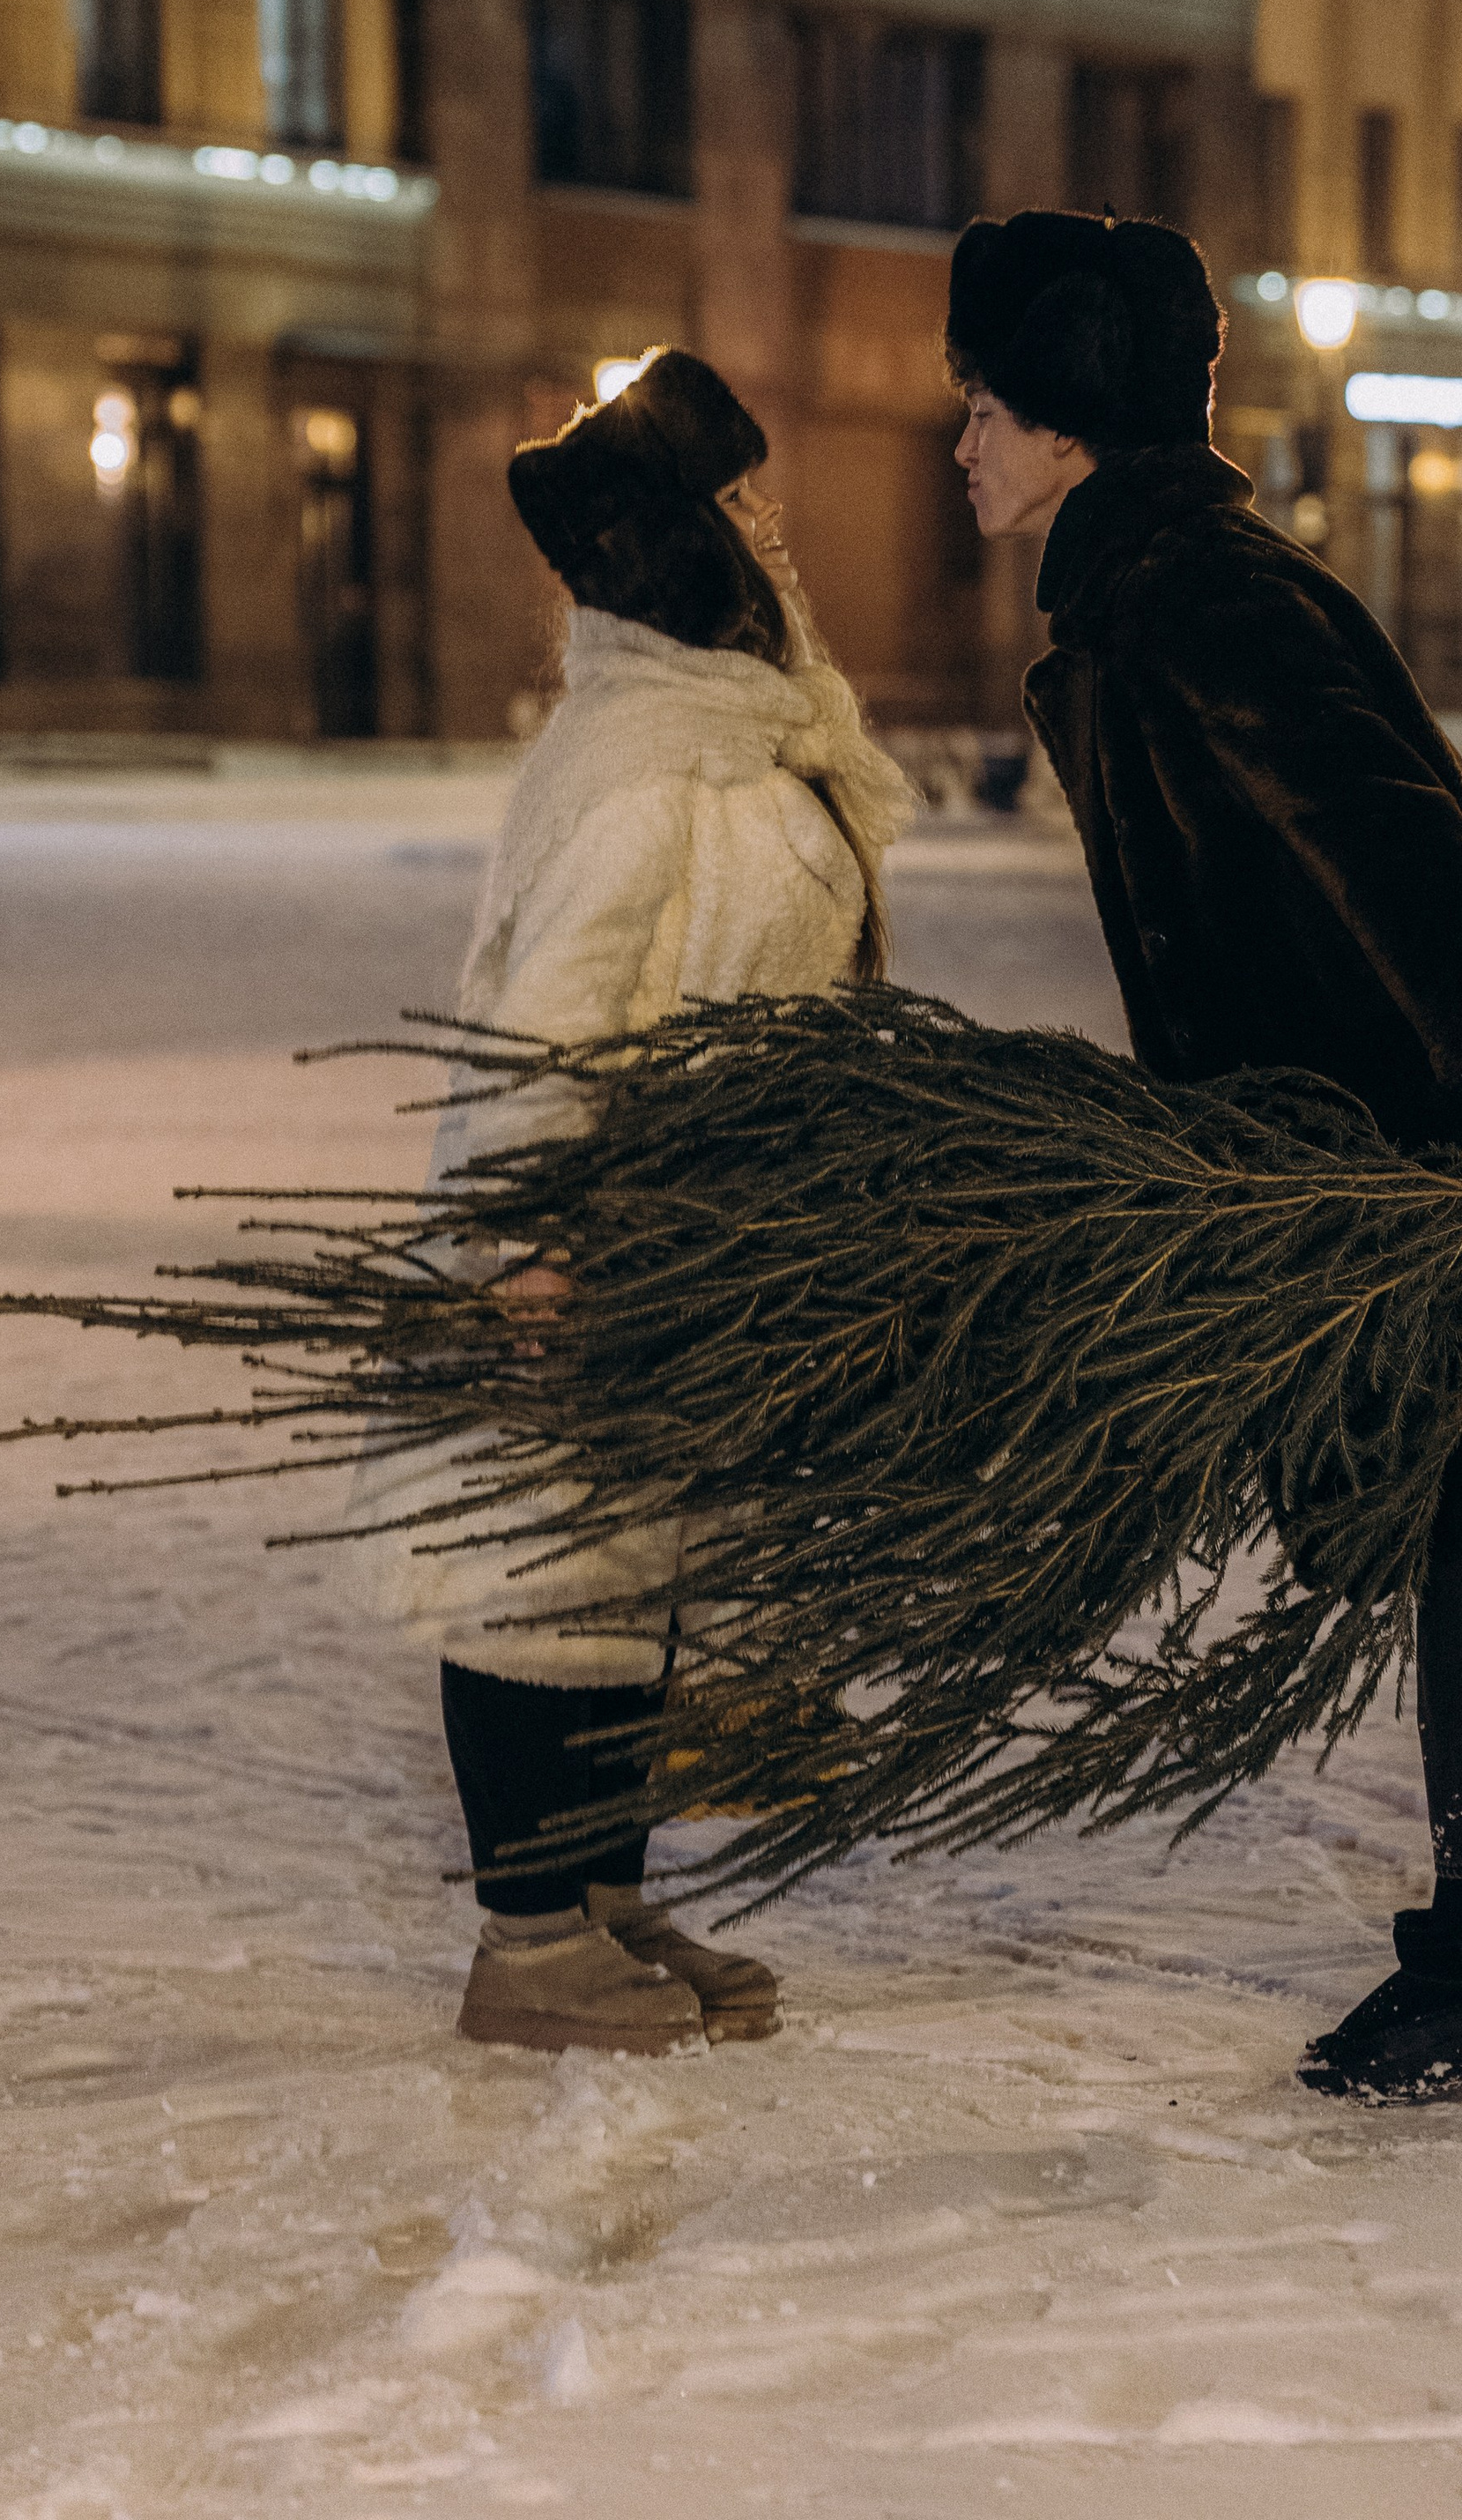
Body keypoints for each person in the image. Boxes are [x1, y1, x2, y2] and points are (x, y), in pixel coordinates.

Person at [946, 210, 1462, 2105]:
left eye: (980, 403)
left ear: (1063, 421)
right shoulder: (1149, 579)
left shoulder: (1190, 591)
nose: (959, 443)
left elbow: (1377, 822)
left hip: (1444, 1095)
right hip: (1391, 1099)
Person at [352, 350, 918, 2058]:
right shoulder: (647, 765)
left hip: (694, 1247)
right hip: (589, 1248)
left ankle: (598, 1899)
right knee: (541, 1577)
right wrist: (530, 1240)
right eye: (746, 508)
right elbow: (547, 1021)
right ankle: (528, 1943)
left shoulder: (735, 740)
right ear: (700, 543)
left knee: (629, 1583)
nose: (774, 534)